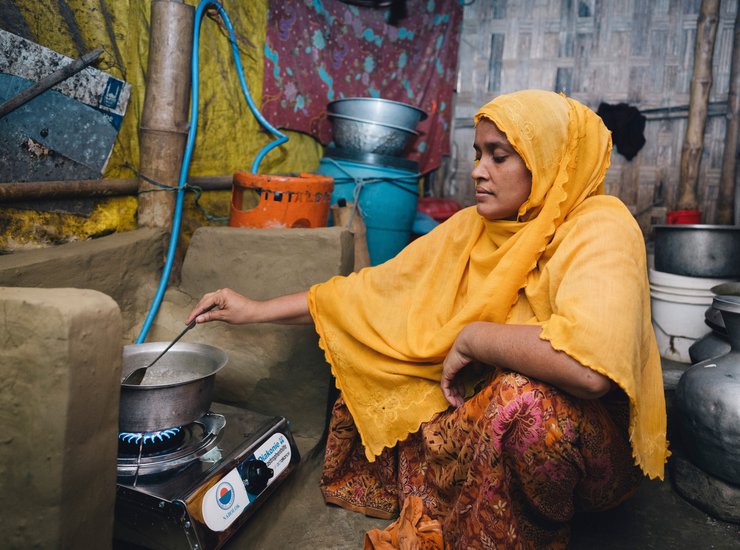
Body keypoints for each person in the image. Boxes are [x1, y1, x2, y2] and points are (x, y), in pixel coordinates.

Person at [186, 89, 669, 548]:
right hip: (495, 417)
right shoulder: (472, 228)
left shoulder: (601, 227)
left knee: (523, 404)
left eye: (499, 156)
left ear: (549, 160)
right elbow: (371, 294)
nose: (478, 172)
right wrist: (253, 310)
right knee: (389, 362)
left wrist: (475, 338)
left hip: (587, 447)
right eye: (478, 154)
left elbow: (588, 371)